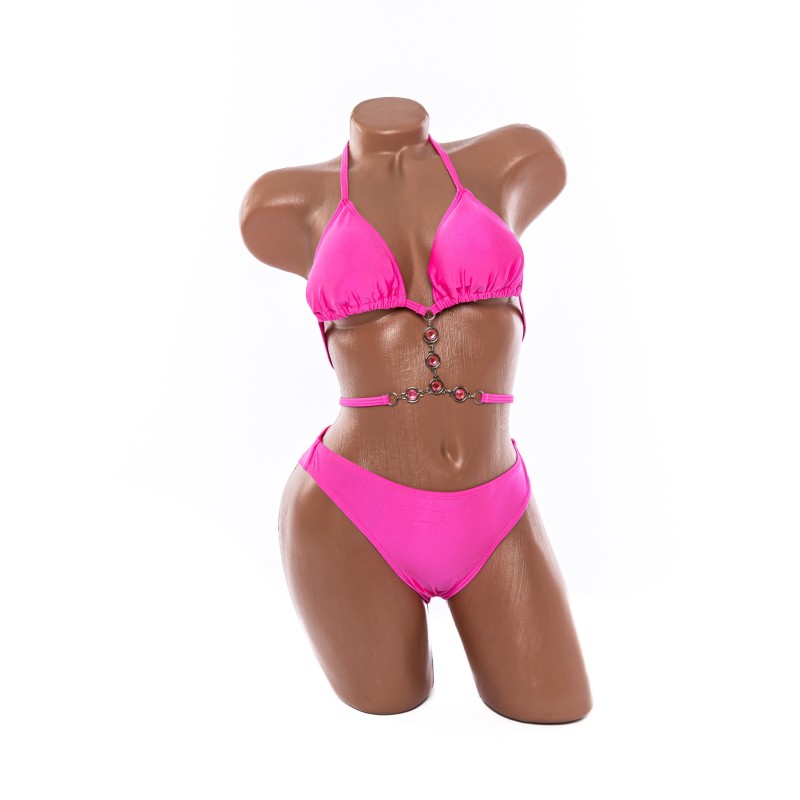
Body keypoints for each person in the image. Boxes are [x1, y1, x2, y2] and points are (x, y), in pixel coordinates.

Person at [239, 96, 592, 723]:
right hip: (347, 517)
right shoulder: (283, 200)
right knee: (392, 722)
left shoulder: (513, 158)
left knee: (559, 706)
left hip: (495, 511)